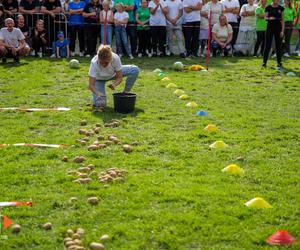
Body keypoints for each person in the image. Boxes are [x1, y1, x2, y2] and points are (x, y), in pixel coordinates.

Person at [88, 45, 139, 111]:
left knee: (134, 69)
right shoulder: (94, 63)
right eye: (102, 62)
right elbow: (91, 85)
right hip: (99, 79)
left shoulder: (115, 58)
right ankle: (99, 100)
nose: (104, 65)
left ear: (110, 59)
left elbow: (119, 77)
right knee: (100, 104)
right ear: (99, 58)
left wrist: (114, 84)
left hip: (113, 74)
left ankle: (125, 93)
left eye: (106, 62)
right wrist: (97, 93)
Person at [262, 0, 284, 69]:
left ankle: (279, 62)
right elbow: (265, 17)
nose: (277, 0)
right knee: (267, 45)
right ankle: (264, 62)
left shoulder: (281, 8)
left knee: (278, 46)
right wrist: (269, 18)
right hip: (270, 28)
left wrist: (282, 31)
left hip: (278, 28)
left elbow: (283, 20)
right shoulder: (268, 7)